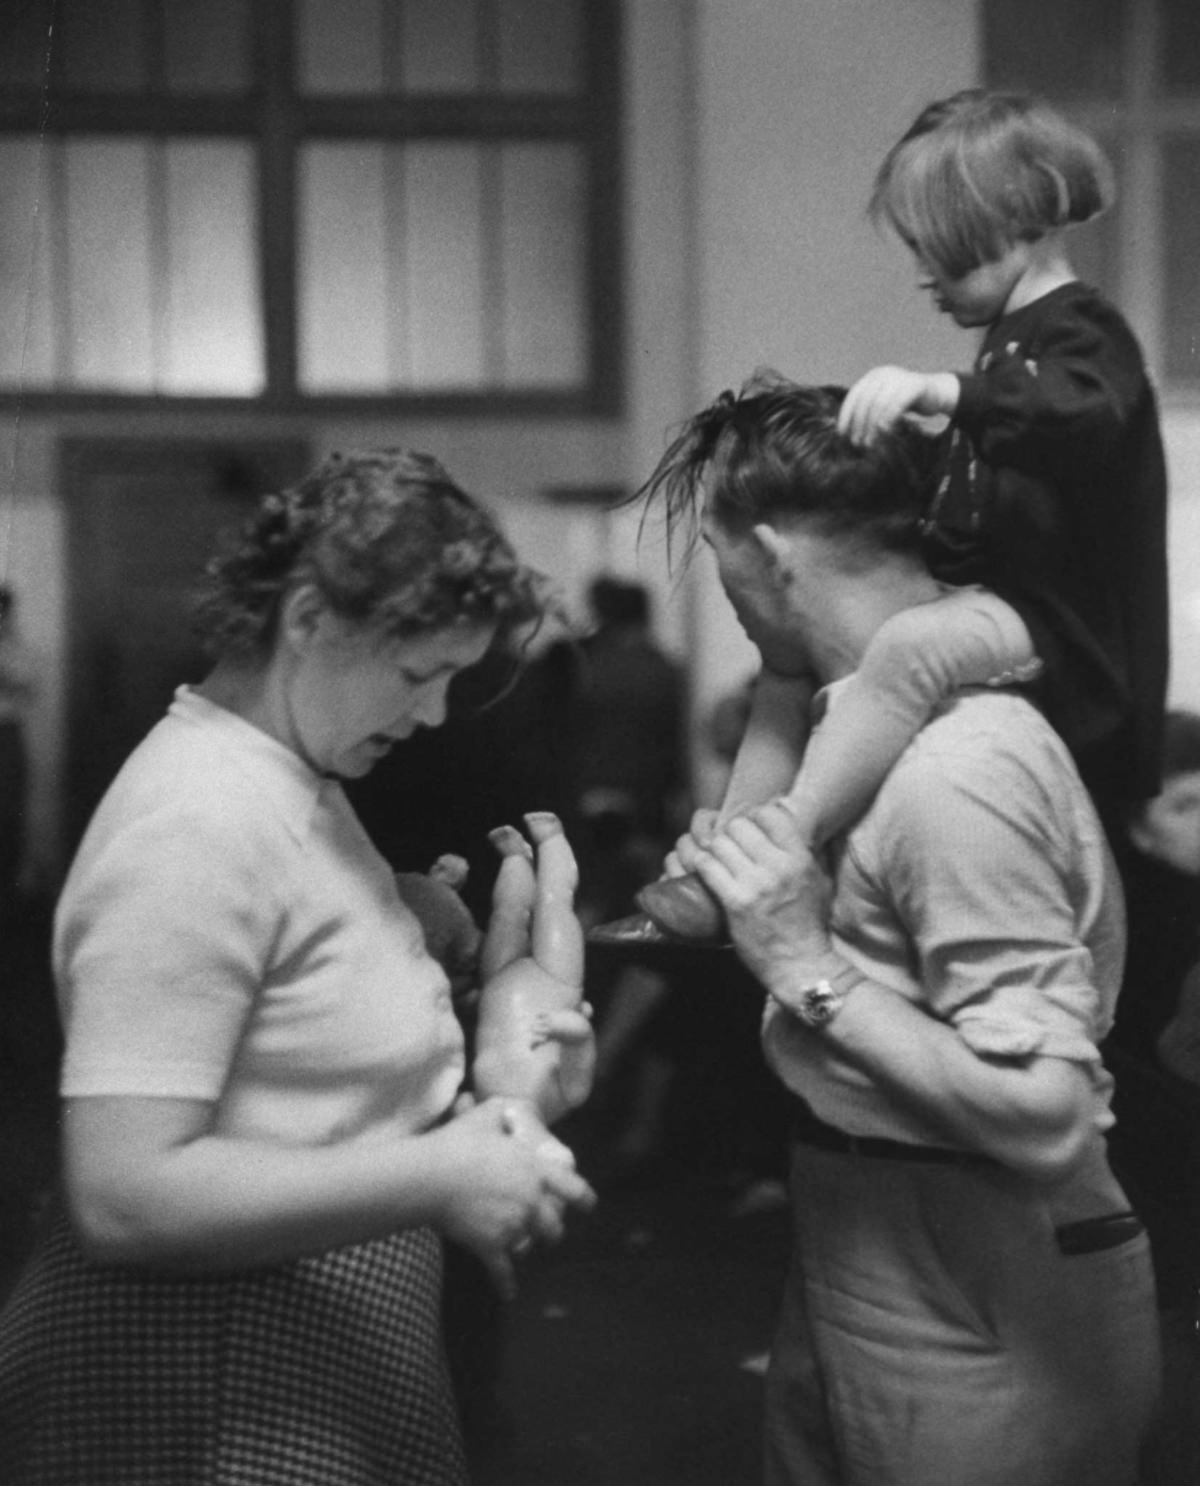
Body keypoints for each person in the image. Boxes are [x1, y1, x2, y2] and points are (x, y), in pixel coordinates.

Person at [0, 449, 596, 1486]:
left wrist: (398, 934)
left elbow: (279, 1015)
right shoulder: (198, 815)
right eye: (419, 674)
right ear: (312, 618)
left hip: (300, 1333)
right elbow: (124, 1192)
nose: (434, 715)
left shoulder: (288, 777)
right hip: (207, 1368)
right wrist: (444, 1171)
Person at [641, 376, 1161, 1486]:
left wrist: (805, 965)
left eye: (719, 549)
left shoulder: (954, 773)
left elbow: (1048, 1119)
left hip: (981, 1262)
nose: (719, 581)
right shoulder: (848, 734)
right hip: (858, 1223)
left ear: (772, 556)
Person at [640, 88, 1168, 942]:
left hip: (1063, 626)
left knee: (910, 646)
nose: (925, 277)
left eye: (944, 255)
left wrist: (948, 392)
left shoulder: (1082, 333)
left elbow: (1082, 412)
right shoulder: (1016, 342)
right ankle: (730, 860)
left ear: (1017, 223)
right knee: (828, 667)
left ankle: (786, 837)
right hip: (1020, 606)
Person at [0, 586, 36, 930]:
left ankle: (8, 905)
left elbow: (28, 687)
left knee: (10, 819)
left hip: (6, 736)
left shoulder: (15, 648)